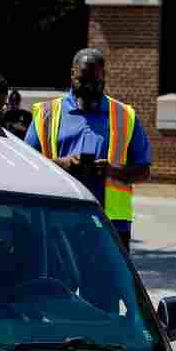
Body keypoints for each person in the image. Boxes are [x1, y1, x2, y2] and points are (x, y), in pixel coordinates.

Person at [24, 48, 151, 248]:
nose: (89, 87)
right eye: (83, 80)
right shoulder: (46, 114)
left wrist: (111, 170)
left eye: (96, 81)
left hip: (112, 224)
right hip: (57, 221)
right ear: (72, 73)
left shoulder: (124, 115)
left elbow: (144, 171)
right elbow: (25, 164)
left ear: (104, 77)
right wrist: (62, 164)